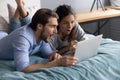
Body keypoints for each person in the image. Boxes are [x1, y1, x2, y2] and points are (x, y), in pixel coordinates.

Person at [0, 0, 78, 73]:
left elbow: (49, 54)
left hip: (7, 37)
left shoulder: (43, 36)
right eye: (52, 26)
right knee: (16, 32)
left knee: (26, 24)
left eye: (56, 26)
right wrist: (55, 63)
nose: (56, 31)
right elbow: (22, 68)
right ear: (40, 26)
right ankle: (19, 8)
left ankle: (19, 7)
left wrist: (55, 56)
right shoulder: (23, 38)